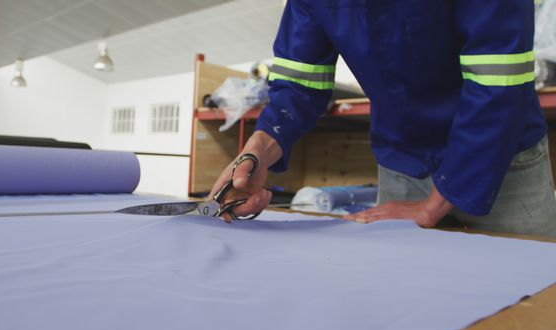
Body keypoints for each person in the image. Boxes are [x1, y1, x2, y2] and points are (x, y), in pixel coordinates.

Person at [209, 0, 556, 237]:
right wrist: (257, 150)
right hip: (403, 160)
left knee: (525, 298)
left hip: (501, 162)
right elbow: (300, 83)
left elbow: (498, 85)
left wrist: (430, 208)